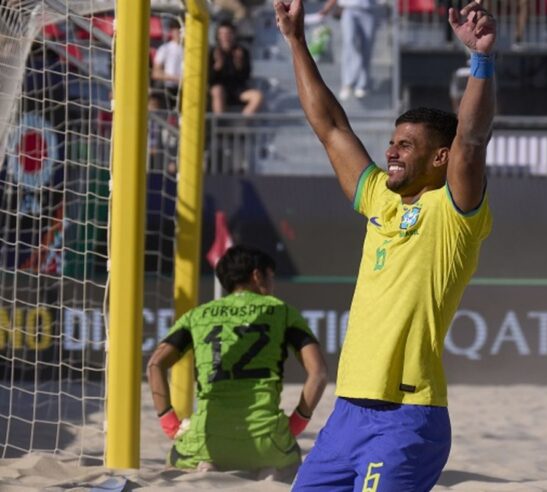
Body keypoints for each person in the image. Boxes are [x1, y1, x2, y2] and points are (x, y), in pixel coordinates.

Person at [274, 0, 494, 489]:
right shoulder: (379, 198)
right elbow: (329, 126)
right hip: (347, 413)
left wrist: (481, 60)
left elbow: (472, 141)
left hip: (407, 415)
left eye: (406, 144)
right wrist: (295, 40)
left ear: (440, 157)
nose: (391, 151)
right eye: (392, 142)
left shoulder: (453, 210)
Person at [146, 246, 329, 478]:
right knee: (291, 459)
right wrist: (297, 423)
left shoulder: (197, 314)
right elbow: (319, 373)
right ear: (256, 276)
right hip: (267, 441)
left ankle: (206, 466)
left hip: (206, 440)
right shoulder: (282, 312)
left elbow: (155, 364)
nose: (272, 285)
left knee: (176, 460)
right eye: (270, 277)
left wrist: (170, 423)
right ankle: (269, 469)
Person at [315, 0, 382, 100]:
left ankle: (361, 85)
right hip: (349, 10)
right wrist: (327, 8)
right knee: (350, 42)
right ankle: (347, 83)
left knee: (366, 48)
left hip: (369, 10)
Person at [209, 21, 263, 114]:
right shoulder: (213, 52)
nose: (225, 37)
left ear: (234, 35)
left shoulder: (242, 51)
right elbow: (209, 79)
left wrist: (239, 64)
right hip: (220, 89)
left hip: (238, 90)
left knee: (257, 96)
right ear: (218, 36)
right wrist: (218, 65)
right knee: (217, 90)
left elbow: (246, 76)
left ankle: (241, 124)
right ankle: (219, 124)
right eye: (222, 34)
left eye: (228, 33)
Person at [152, 18, 183, 109]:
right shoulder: (165, 49)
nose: (179, 33)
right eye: (177, 30)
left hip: (185, 89)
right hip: (168, 89)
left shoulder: (190, 50)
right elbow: (156, 73)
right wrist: (177, 79)